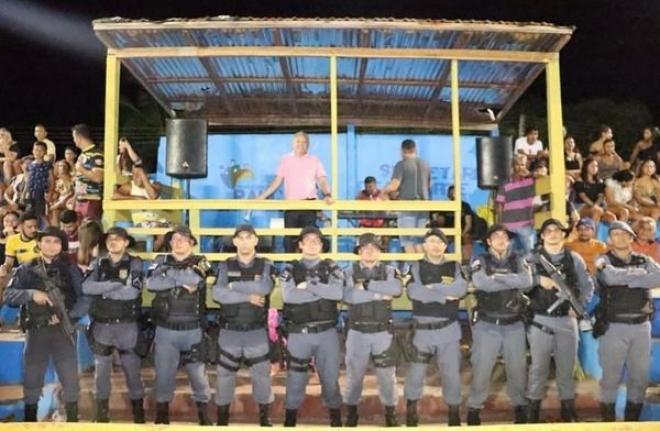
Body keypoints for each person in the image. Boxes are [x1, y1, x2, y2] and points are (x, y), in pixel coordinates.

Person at [3, 227, 87, 422]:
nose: (51, 246)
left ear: (62, 246)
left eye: (56, 242)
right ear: (39, 244)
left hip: (64, 332)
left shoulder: (70, 270)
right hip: (37, 332)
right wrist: (31, 294)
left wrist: (70, 317)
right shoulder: (25, 270)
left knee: (70, 379)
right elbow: (8, 295)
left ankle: (72, 420)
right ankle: (30, 421)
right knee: (32, 379)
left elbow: (84, 298)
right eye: (47, 241)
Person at [525, 218, 594, 423]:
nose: (553, 234)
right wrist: (538, 280)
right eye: (549, 231)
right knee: (538, 368)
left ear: (563, 234)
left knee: (567, 368)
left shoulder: (574, 259)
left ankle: (567, 409)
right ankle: (532, 412)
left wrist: (578, 305)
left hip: (566, 320)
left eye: (557, 230)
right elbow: (520, 285)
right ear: (542, 236)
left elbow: (587, 286)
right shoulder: (531, 259)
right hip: (540, 320)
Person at [466, 224, 532, 425]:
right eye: (496, 236)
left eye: (504, 236)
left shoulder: (518, 259)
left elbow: (526, 282)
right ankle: (474, 408)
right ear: (488, 241)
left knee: (517, 370)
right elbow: (481, 283)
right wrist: (511, 280)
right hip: (487, 324)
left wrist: (497, 277)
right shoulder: (480, 259)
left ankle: (520, 407)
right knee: (481, 369)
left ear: (509, 241)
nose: (501, 239)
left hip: (514, 324)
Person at [146, 225, 212, 425]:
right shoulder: (160, 260)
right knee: (163, 376)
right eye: (174, 239)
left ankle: (204, 418)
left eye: (183, 239)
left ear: (192, 242)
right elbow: (151, 284)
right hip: (166, 330)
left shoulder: (201, 261)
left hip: (193, 330)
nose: (178, 242)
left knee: (198, 376)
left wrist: (167, 276)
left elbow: (194, 278)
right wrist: (178, 282)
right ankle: (162, 418)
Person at [594, 221, 660, 421]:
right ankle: (608, 424)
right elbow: (610, 278)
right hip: (614, 326)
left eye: (624, 234)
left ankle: (632, 423)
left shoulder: (644, 259)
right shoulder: (603, 259)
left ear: (632, 237)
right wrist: (639, 275)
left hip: (641, 326)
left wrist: (625, 278)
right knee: (610, 379)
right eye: (615, 234)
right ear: (609, 238)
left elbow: (658, 277)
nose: (620, 237)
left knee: (639, 379)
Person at [280, 225, 343, 427]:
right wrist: (321, 293)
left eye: (316, 241)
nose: (312, 244)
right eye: (307, 241)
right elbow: (289, 296)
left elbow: (337, 293)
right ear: (300, 245)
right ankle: (289, 422)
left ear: (322, 245)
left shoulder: (331, 267)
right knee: (295, 381)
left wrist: (309, 286)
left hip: (327, 334)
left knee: (330, 380)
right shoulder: (290, 268)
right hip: (299, 334)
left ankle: (336, 421)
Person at [212, 224, 275, 427]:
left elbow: (264, 287)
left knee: (262, 376)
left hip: (256, 331)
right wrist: (248, 297)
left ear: (255, 240)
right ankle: (222, 421)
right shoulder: (224, 265)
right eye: (241, 238)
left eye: (249, 237)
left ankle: (264, 420)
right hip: (229, 330)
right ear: (235, 241)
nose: (245, 242)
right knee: (224, 376)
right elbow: (217, 294)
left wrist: (233, 286)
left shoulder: (265, 264)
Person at [404, 228, 467, 427]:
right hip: (423, 330)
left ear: (445, 246)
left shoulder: (454, 266)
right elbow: (414, 292)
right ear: (424, 245)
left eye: (440, 242)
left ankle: (454, 416)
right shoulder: (416, 266)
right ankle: (411, 413)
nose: (435, 245)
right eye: (431, 241)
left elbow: (461, 289)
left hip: (449, 330)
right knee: (415, 374)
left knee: (451, 375)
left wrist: (432, 288)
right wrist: (444, 295)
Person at [82, 227, 146, 423]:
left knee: (132, 372)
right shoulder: (97, 263)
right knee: (101, 373)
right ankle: (102, 415)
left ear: (126, 242)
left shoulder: (135, 263)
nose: (113, 242)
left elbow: (132, 292)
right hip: (103, 326)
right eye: (110, 239)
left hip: (127, 326)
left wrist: (103, 291)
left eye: (118, 239)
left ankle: (139, 416)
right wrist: (115, 285)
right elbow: (86, 287)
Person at [342, 233, 402, 427]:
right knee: (354, 376)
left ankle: (391, 414)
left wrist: (366, 286)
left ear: (380, 251)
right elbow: (350, 296)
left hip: (382, 332)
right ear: (359, 251)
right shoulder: (348, 272)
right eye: (365, 247)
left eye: (374, 248)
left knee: (387, 376)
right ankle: (351, 414)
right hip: (357, 331)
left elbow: (395, 290)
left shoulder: (390, 270)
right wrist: (378, 295)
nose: (369, 251)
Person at [256, 131, 333, 252]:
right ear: (293, 143)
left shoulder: (315, 160)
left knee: (309, 238)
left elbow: (322, 181)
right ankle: (291, 263)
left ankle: (309, 262)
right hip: (291, 206)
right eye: (298, 141)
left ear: (308, 145)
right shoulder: (285, 159)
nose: (300, 144)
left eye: (304, 142)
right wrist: (262, 197)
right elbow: (277, 181)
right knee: (289, 241)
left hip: (309, 205)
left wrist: (328, 194)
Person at [382, 139, 431, 253]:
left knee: (408, 241)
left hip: (407, 207)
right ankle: (421, 264)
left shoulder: (401, 164)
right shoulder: (426, 165)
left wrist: (383, 191)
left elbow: (394, 186)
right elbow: (428, 185)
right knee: (420, 241)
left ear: (402, 150)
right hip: (424, 207)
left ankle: (412, 264)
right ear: (415, 149)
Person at [496, 155, 536, 253]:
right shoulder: (505, 183)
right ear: (513, 166)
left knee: (531, 254)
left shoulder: (531, 180)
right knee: (508, 255)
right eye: (517, 165)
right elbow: (499, 204)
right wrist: (500, 223)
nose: (520, 167)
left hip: (526, 224)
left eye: (523, 165)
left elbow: (544, 176)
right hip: (508, 225)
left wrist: (530, 174)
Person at [430, 185, 476, 261]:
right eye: (451, 193)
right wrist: (446, 233)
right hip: (448, 232)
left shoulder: (465, 206)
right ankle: (445, 261)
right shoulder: (445, 206)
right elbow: (441, 222)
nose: (453, 194)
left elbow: (468, 224)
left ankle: (466, 262)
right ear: (448, 194)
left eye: (455, 192)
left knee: (467, 237)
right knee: (439, 238)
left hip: (462, 232)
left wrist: (461, 234)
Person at [71, 124, 104, 219]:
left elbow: (98, 178)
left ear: (79, 137)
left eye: (74, 137)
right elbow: (81, 179)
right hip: (81, 199)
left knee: (89, 226)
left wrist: (81, 169)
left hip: (91, 199)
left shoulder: (96, 154)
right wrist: (75, 198)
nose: (74, 140)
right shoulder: (83, 154)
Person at [574, 158, 614, 225]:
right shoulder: (580, 180)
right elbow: (583, 197)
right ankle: (593, 231)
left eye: (596, 166)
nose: (595, 168)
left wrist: (596, 205)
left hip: (597, 206)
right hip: (582, 205)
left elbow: (601, 196)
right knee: (597, 211)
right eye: (592, 166)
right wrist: (594, 206)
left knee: (611, 217)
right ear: (586, 167)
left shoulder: (599, 181)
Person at [25, 141, 54, 224]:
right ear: (32, 151)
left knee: (41, 213)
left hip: (42, 192)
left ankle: (46, 228)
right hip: (31, 192)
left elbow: (51, 179)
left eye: (41, 150)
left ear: (45, 152)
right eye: (36, 150)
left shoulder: (47, 165)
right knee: (29, 212)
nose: (38, 152)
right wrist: (24, 192)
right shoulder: (29, 165)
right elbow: (28, 180)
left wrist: (50, 192)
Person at [49, 160, 75, 226]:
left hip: (70, 200)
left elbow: (72, 193)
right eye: (60, 166)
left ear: (68, 167)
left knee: (56, 207)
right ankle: (57, 228)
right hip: (61, 201)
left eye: (64, 166)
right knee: (53, 209)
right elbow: (56, 193)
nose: (62, 167)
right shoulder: (58, 181)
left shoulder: (73, 179)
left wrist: (59, 203)